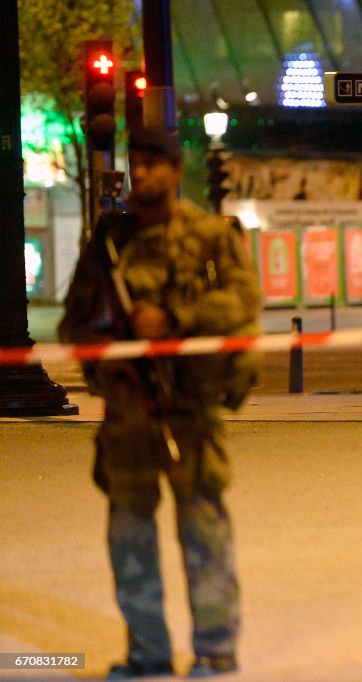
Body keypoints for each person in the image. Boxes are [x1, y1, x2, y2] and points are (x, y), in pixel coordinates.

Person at [59, 128, 261, 678]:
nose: (142, 173)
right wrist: (107, 349)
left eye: (153, 163)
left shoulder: (205, 233)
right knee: (130, 537)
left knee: (204, 531)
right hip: (128, 415)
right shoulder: (110, 242)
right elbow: (73, 321)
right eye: (136, 163)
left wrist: (174, 323)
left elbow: (245, 299)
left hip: (189, 409)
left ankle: (216, 649)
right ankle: (147, 652)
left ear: (175, 170)